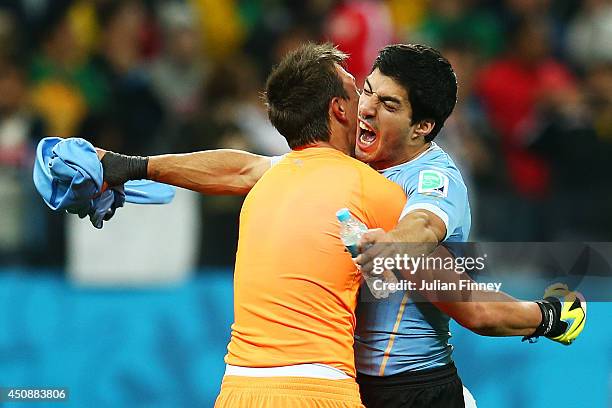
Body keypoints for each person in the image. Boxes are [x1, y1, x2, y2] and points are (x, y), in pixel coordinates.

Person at [97, 43, 586, 408]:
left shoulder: (432, 177)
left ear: (423, 128)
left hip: (414, 388)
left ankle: (553, 316)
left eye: (390, 105)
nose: (368, 108)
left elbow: (427, 232)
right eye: (368, 92)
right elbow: (247, 169)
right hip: (345, 385)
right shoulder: (349, 165)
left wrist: (392, 243)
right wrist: (133, 165)